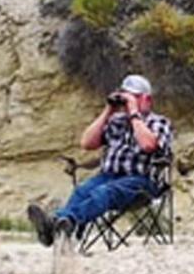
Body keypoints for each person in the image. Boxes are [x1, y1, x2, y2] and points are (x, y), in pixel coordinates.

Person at [27, 74, 174, 246]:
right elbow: (87, 143)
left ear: (146, 99)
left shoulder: (159, 122)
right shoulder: (116, 121)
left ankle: (63, 222)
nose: (126, 102)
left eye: (132, 97)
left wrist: (134, 114)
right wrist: (108, 110)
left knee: (104, 192)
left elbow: (148, 145)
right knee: (82, 191)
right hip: (108, 175)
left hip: (142, 182)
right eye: (125, 97)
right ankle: (57, 229)